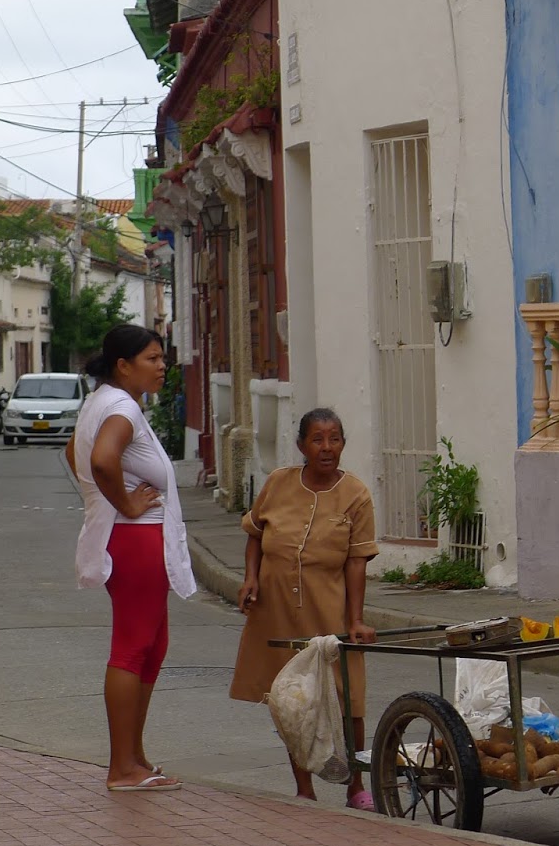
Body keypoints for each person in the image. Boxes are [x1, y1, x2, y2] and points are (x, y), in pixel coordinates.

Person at [68, 325, 196, 792]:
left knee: (152, 645)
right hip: (135, 538)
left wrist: (100, 500)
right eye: (152, 358)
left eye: (162, 358)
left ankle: (134, 757)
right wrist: (122, 503)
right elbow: (101, 460)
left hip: (134, 537)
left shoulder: (104, 401)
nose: (162, 366)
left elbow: (74, 451)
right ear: (123, 366)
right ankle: (122, 768)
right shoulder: (121, 408)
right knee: (133, 646)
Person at [229, 409, 380, 806]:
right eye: (317, 439)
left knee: (348, 698)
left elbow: (357, 562)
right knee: (291, 701)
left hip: (329, 608)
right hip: (277, 609)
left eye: (334, 439)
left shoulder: (356, 494)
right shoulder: (278, 483)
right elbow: (256, 534)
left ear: (343, 444)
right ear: (301, 445)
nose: (326, 447)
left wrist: (356, 619)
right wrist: (250, 578)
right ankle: (304, 789)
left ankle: (356, 786)